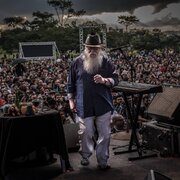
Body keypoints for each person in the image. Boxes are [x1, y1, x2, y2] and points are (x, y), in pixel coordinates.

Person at [67, 32, 119, 170]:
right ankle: (85, 155)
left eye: (95, 48)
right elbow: (70, 84)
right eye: (89, 48)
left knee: (105, 134)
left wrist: (104, 80)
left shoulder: (106, 62)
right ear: (85, 47)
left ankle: (103, 160)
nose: (92, 51)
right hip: (83, 105)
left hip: (103, 104)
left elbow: (116, 79)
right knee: (86, 133)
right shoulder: (76, 62)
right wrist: (71, 101)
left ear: (100, 49)